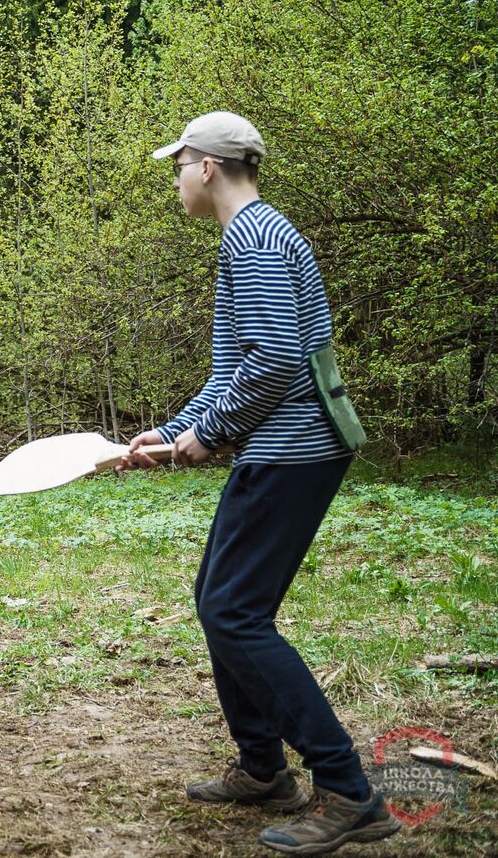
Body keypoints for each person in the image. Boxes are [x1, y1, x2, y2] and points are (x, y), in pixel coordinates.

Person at [119, 112, 398, 855]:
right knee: (222, 603)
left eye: (177, 165)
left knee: (235, 611)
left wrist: (205, 439)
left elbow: (275, 360)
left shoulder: (255, 237)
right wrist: (174, 428)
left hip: (294, 450)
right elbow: (237, 367)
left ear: (206, 166)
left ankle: (347, 790)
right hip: (281, 445)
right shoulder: (259, 233)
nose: (175, 179)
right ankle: (264, 767)